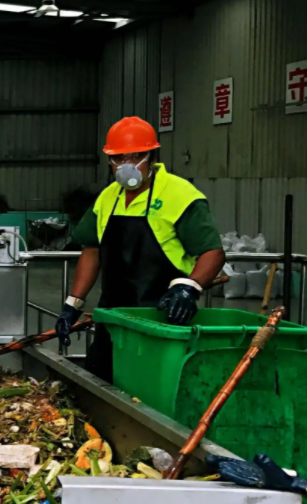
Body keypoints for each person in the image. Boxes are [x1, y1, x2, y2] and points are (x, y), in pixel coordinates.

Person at [57, 116, 224, 380]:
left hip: (160, 321)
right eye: (119, 159)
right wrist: (72, 304)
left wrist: (189, 288)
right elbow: (92, 250)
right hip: (112, 321)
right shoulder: (108, 197)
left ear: (152, 156)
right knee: (103, 386)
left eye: (135, 158)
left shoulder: (181, 195)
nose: (127, 166)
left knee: (151, 390)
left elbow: (212, 252)